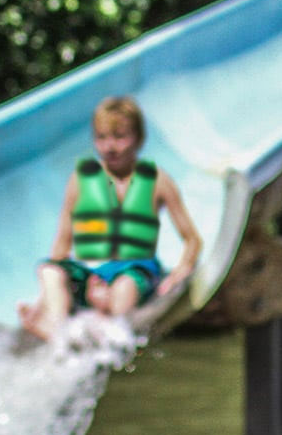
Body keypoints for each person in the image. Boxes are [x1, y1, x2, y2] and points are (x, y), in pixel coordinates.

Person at [17, 95, 201, 340]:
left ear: (138, 138)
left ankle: (108, 320)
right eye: (101, 138)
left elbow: (192, 239)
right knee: (48, 270)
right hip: (95, 273)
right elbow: (62, 244)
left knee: (124, 287)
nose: (109, 147)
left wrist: (180, 271)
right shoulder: (81, 181)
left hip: (135, 272)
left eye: (120, 137)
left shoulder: (156, 180)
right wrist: (46, 299)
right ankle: (56, 332)